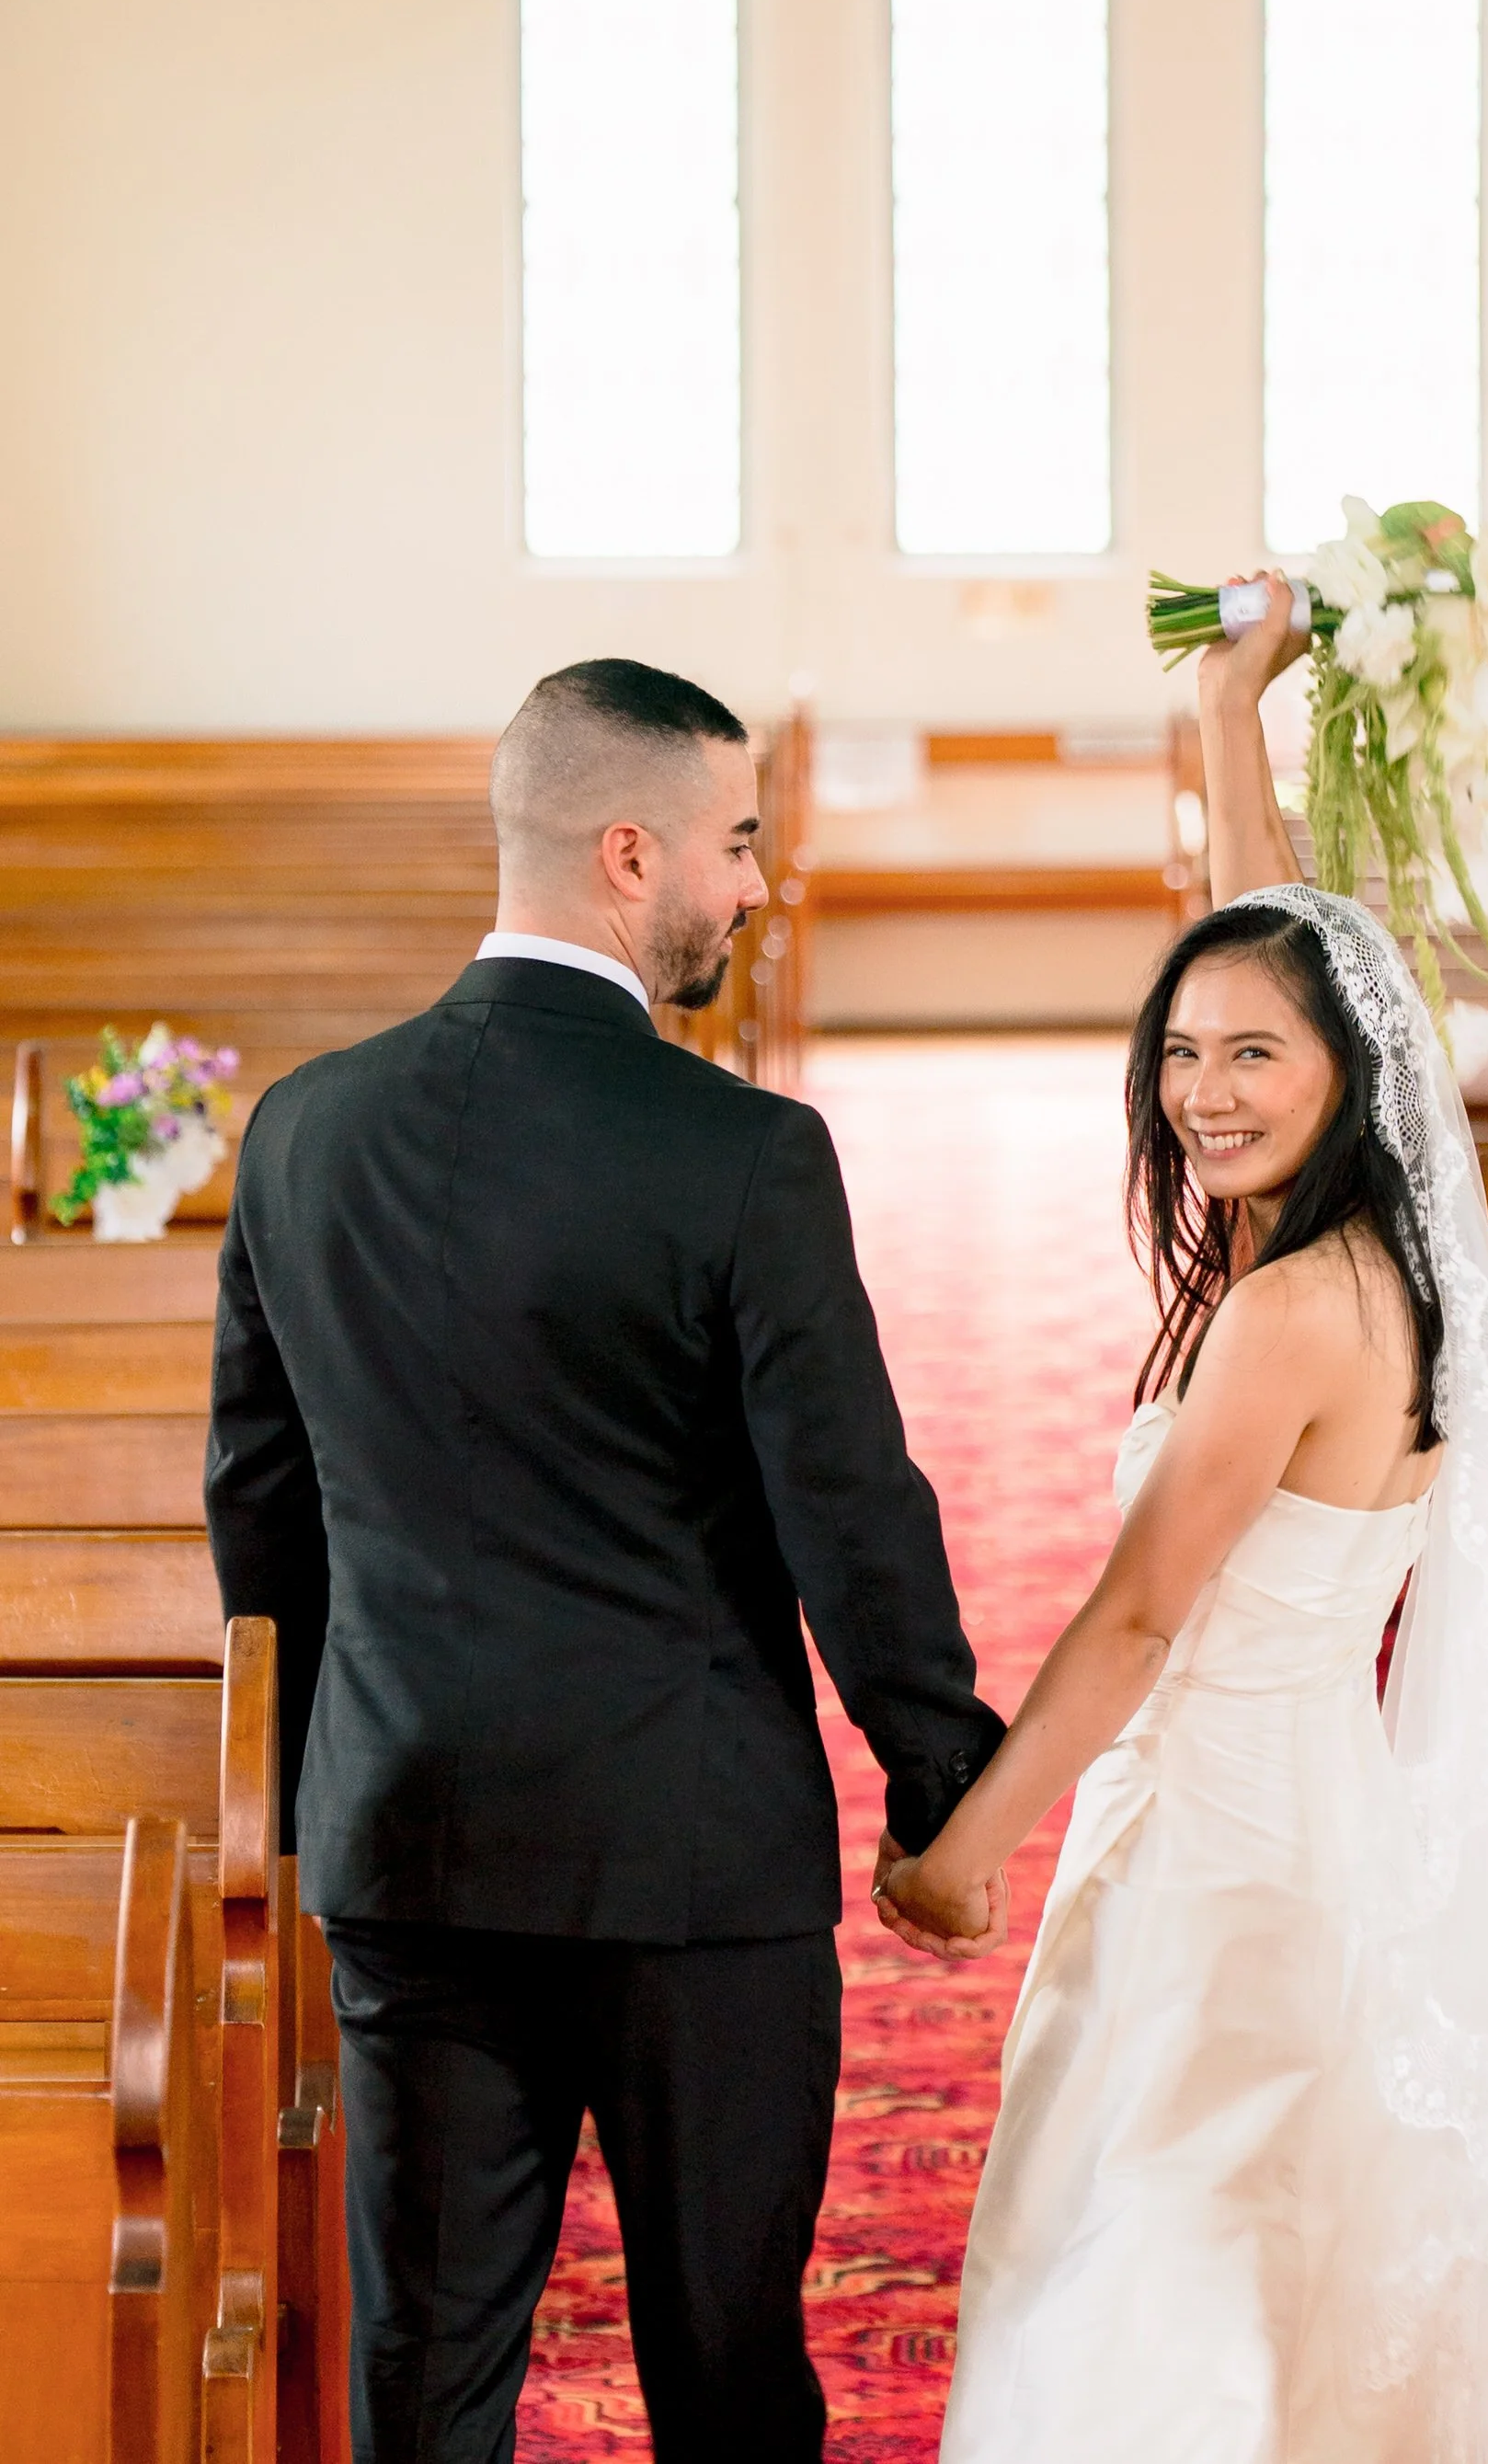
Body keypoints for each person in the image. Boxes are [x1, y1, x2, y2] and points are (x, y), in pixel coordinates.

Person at [881, 580, 1488, 2459]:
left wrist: (964, 1853)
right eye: (1182, 1054)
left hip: (1220, 1862)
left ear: (1343, 1075)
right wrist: (1236, 701)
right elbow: (1266, 944)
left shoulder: (1284, 1315)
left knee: (1156, 2260)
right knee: (1272, 2258)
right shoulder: (1370, 1251)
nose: (1204, 1088)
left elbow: (1144, 1618)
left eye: (1251, 1060)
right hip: (1313, 1817)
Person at [205, 658, 1006, 2464]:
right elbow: (848, 1509)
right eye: (736, 844)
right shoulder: (743, 1152)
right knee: (725, 2371)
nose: (754, 888)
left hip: (406, 1842)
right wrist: (940, 1773)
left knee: (429, 2378)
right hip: (692, 1858)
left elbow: (261, 1506)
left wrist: (313, 1793)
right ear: (629, 853)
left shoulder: (302, 1133)